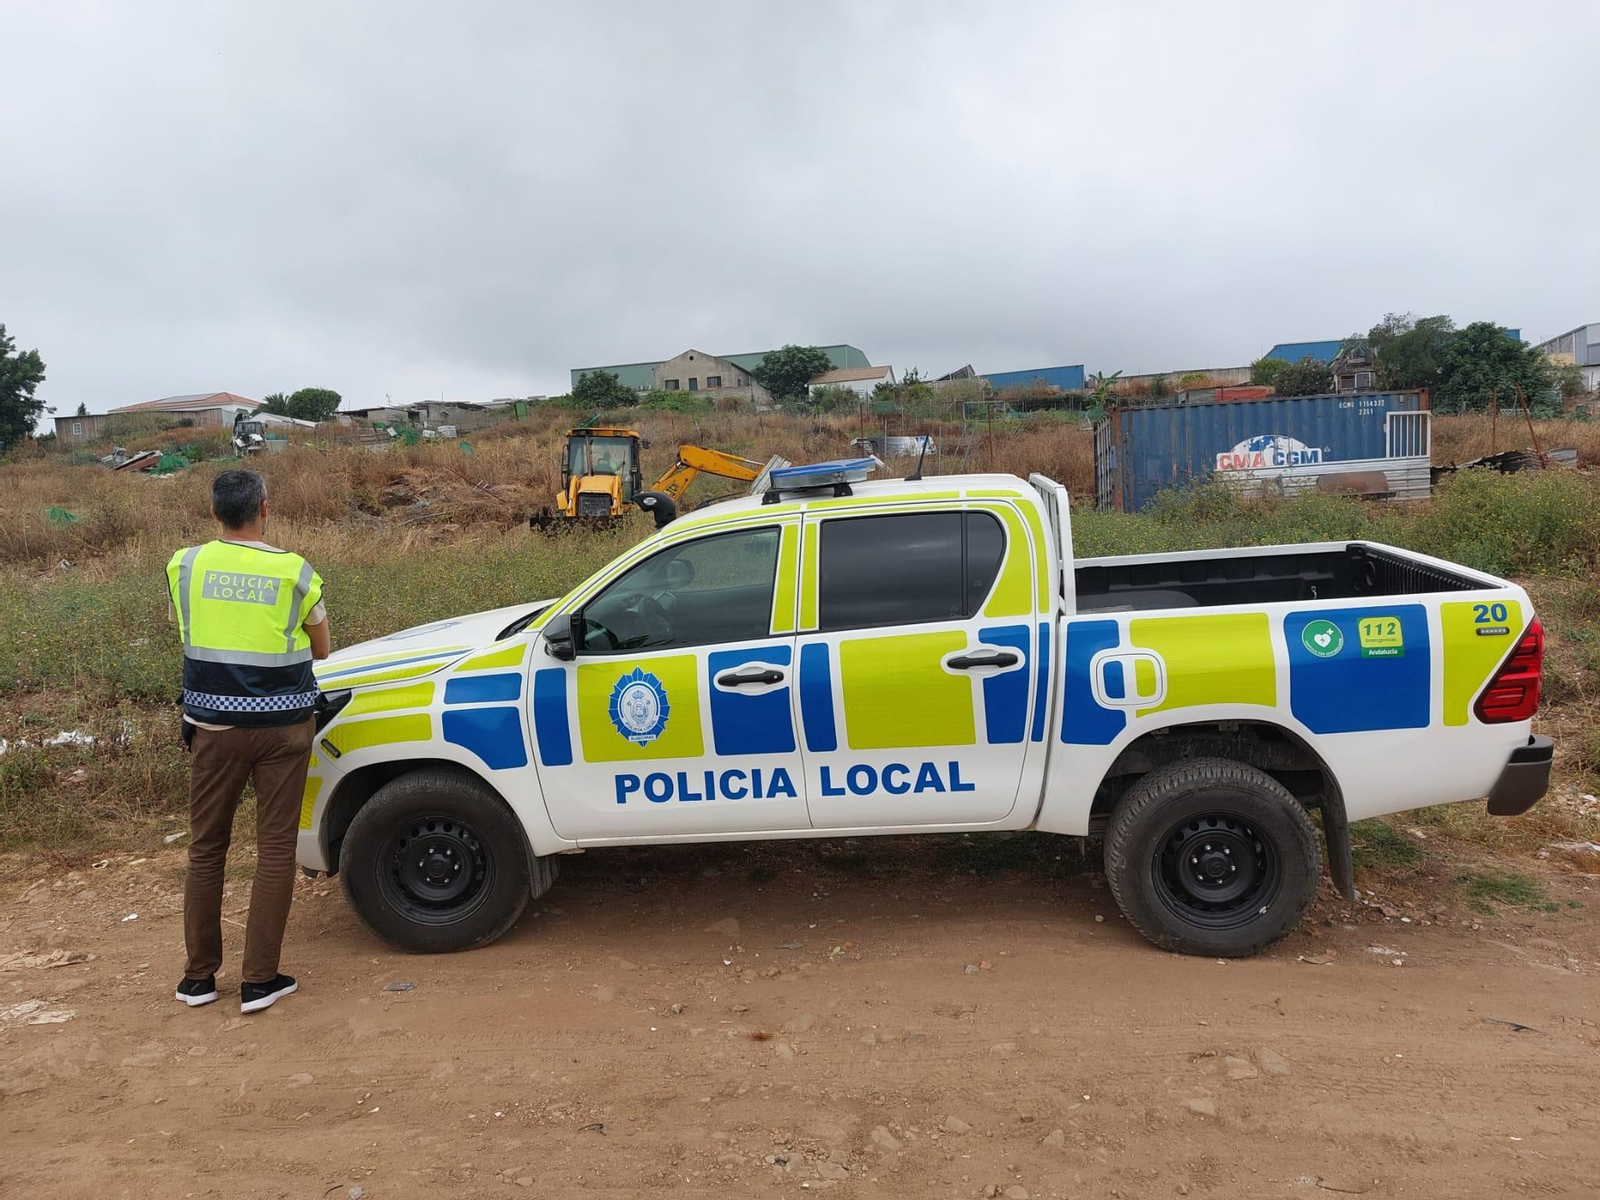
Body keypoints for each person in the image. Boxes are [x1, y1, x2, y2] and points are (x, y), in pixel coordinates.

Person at [166, 469, 330, 1013]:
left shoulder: (185, 565)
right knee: (276, 846)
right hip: (284, 729)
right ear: (266, 507)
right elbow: (322, 649)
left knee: (207, 847)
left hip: (212, 729)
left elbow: (187, 628)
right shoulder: (296, 572)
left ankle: (198, 979)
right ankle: (260, 980)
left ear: (215, 513)